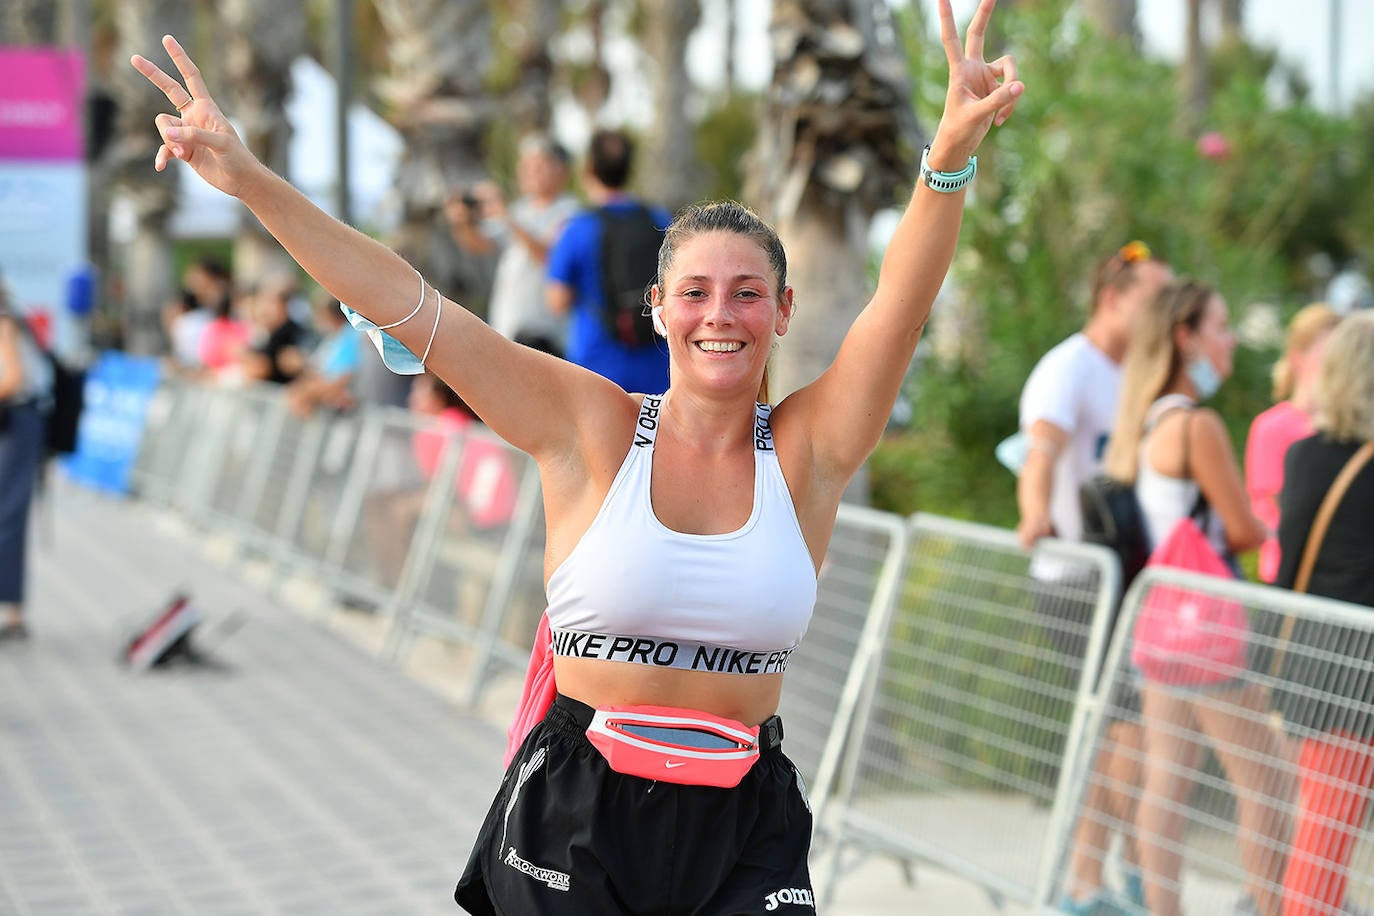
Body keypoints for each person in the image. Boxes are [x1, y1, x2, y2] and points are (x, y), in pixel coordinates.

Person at [129, 3, 1022, 910]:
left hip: (743, 820)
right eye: (697, 293)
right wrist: (249, 180)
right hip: (577, 808)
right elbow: (411, 308)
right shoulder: (591, 426)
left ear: (783, 313)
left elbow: (898, 312)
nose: (722, 315)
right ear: (660, 309)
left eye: (749, 294)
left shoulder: (807, 454)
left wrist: (946, 161)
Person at [1100, 279, 1289, 916]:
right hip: (1209, 626)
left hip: (1162, 626)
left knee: (1167, 781)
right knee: (1266, 779)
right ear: (1187, 337)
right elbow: (1238, 530)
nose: (1230, 339)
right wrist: (1272, 521)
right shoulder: (1197, 424)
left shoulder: (1146, 423)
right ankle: (1268, 904)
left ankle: (1164, 909)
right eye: (1222, 325)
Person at [1015, 241, 1173, 914]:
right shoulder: (1069, 369)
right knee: (1124, 739)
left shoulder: (1133, 372)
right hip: (1077, 580)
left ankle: (1093, 878)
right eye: (1154, 298)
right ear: (1114, 298)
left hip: (1119, 580)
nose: (1164, 313)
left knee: (1120, 740)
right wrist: (1033, 516)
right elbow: (1042, 451)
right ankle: (1092, 881)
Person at [1271, 311, 1374, 916]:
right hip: (1356, 667)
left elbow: (1289, 567)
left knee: (1322, 835)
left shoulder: (1305, 456)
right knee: (1326, 838)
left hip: (1318, 662)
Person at [545, 128, 673, 394]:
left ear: (588, 169)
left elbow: (557, 301)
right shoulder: (660, 220)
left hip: (596, 365)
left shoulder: (577, 228)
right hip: (655, 362)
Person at [445, 134, 580, 357]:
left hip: (546, 333)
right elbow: (481, 244)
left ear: (562, 171)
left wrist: (506, 217)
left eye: (539, 166)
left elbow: (550, 258)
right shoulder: (520, 210)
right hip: (508, 329)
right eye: (526, 166)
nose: (530, 173)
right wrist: (463, 221)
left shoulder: (571, 212)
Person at [1244, 303, 1341, 584]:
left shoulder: (1343, 429)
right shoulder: (1272, 427)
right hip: (1288, 573)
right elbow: (1279, 507)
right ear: (1299, 357)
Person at [0, 279, 53, 642]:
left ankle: (13, 612)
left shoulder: (4, 321)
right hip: (18, 420)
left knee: (8, 516)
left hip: (18, 421)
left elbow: (14, 379)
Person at [284, 292, 362, 418]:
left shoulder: (351, 336)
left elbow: (344, 377)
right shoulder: (333, 338)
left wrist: (309, 392)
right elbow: (318, 371)